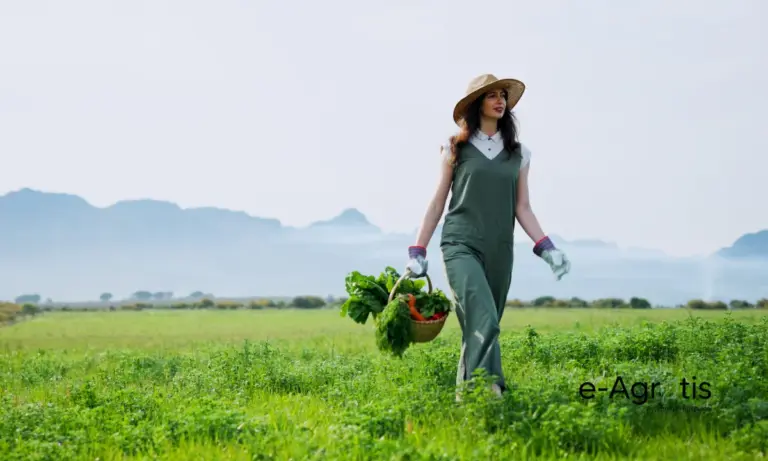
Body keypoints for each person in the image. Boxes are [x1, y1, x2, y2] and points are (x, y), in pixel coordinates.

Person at [405, 74, 571, 399]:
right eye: (491, 95)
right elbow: (438, 200)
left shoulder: (519, 154)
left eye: (503, 96)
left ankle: (465, 398)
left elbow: (523, 207)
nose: (500, 101)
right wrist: (417, 249)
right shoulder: (456, 147)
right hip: (460, 244)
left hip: (500, 250)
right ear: (476, 104)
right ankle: (492, 389)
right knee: (485, 318)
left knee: (480, 327)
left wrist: (546, 247)